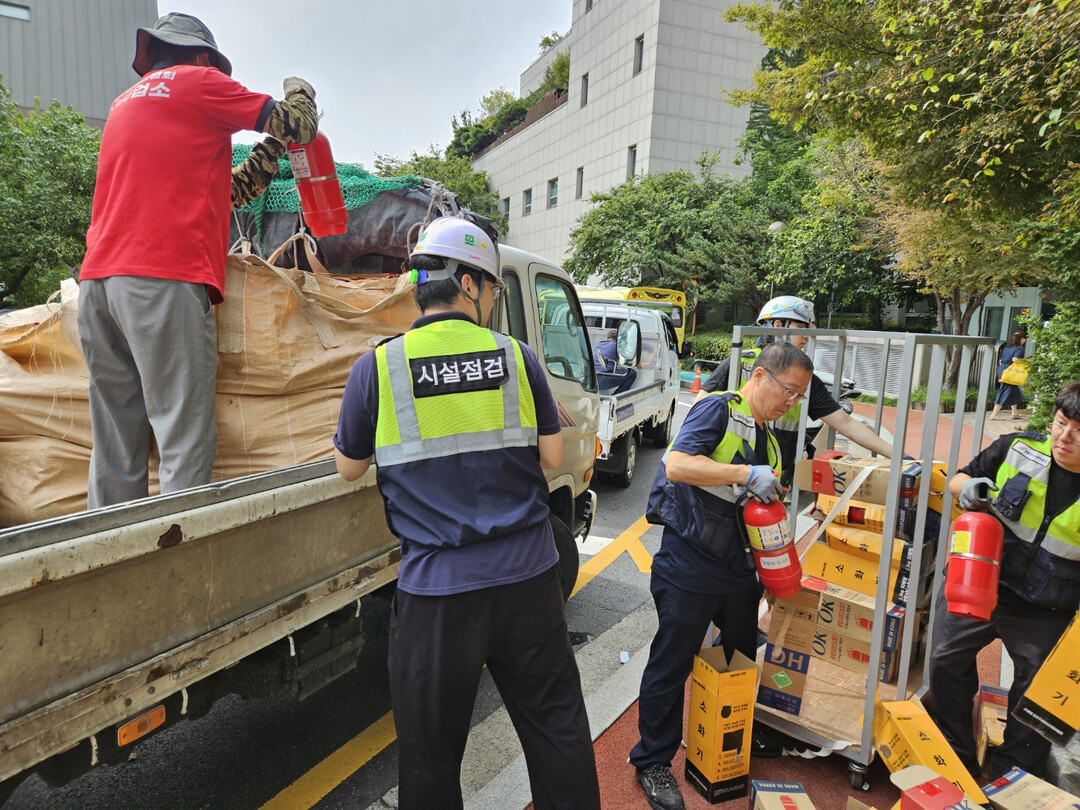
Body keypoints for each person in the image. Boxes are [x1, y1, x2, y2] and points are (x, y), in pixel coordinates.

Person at [332, 216, 601, 810]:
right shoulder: (517, 356)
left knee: (430, 754)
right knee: (557, 727)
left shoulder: (378, 367)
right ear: (472, 284)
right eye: (494, 290)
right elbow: (552, 455)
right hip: (528, 581)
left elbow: (348, 468)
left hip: (437, 596)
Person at [77, 12, 319, 508]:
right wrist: (302, 94)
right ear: (204, 58)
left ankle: (107, 569)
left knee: (116, 448)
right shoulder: (200, 83)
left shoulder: (126, 103)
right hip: (161, 282)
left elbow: (230, 191)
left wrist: (273, 149)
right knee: (182, 440)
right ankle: (178, 572)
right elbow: (301, 127)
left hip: (98, 287)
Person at [630, 342, 813, 810]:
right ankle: (653, 761)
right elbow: (677, 464)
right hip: (690, 562)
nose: (791, 403)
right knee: (674, 661)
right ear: (759, 376)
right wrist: (744, 473)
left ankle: (725, 742)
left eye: (799, 397)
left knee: (737, 658)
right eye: (789, 391)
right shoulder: (718, 409)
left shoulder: (769, 439)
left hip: (739, 570)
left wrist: (775, 581)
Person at [929, 381, 1080, 782]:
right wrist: (969, 490)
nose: (1065, 436)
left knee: (1035, 695)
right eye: (1061, 423)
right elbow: (956, 479)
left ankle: (1014, 776)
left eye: (1078, 431)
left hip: (1046, 607)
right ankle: (957, 751)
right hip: (977, 584)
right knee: (945, 660)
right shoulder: (1017, 448)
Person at [697, 296, 893, 473]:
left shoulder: (803, 379)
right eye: (802, 327)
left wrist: (897, 454)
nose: (807, 336)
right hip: (726, 471)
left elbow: (845, 423)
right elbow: (699, 410)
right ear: (778, 324)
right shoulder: (740, 361)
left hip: (773, 475)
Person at [989, 330, 1028, 421]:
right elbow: (1015, 359)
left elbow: (1000, 361)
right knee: (1004, 392)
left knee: (1014, 392)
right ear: (1022, 338)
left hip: (1002, 370)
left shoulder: (1007, 347)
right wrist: (1025, 361)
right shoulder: (1019, 348)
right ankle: (994, 414)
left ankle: (1014, 413)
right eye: (1025, 339)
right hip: (1010, 373)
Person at [594, 327, 637, 393]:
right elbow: (629, 361)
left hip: (592, 380)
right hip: (602, 381)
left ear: (607, 338)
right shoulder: (617, 346)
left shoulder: (598, 344)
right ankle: (617, 396)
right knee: (632, 373)